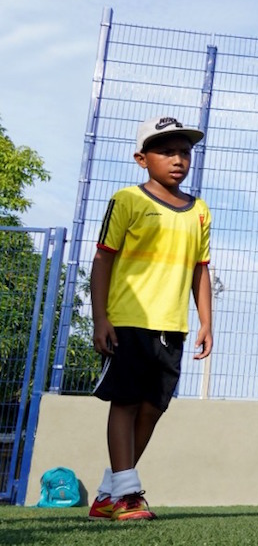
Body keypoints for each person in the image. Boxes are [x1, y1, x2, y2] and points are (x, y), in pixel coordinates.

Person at [87, 115, 214, 521]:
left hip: (171, 326)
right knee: (124, 402)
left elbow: (200, 268)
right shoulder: (127, 200)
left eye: (185, 151)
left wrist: (206, 321)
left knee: (153, 407)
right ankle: (127, 493)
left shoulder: (199, 211)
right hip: (127, 319)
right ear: (142, 159)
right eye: (166, 151)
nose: (178, 159)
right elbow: (103, 259)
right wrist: (100, 318)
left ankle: (111, 493)